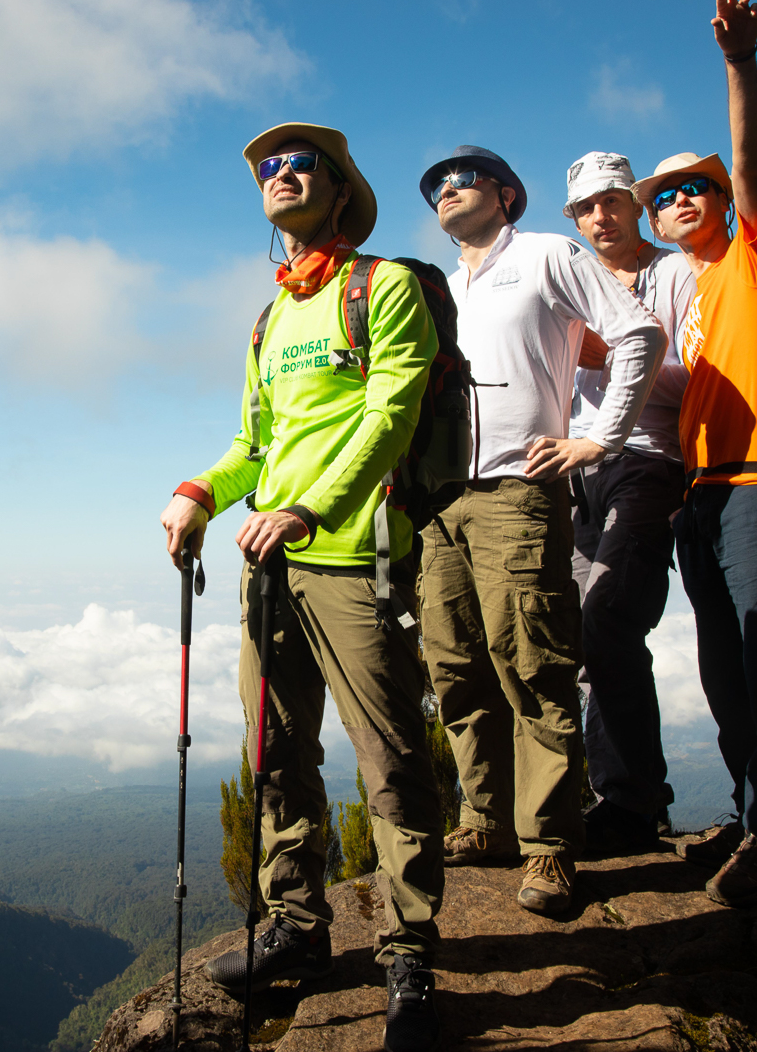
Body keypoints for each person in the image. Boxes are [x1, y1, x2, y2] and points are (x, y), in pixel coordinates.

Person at [159, 122, 445, 1052]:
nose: (279, 175)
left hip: (351, 557)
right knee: (276, 750)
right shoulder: (270, 317)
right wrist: (200, 492)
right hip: (268, 562)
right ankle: (298, 924)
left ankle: (408, 950)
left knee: (390, 752)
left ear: (339, 188)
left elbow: (393, 411)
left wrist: (311, 509)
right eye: (266, 169)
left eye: (299, 163)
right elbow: (254, 446)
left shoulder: (384, 286)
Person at [415, 143, 666, 914]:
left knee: (535, 664)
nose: (447, 191)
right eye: (435, 188)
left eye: (463, 179)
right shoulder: (445, 288)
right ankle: (485, 819)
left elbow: (640, 334)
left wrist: (602, 438)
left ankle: (551, 845)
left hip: (520, 492)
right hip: (442, 500)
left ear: (507, 194)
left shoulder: (550, 254)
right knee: (456, 667)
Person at [633, 0, 757, 906]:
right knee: (722, 668)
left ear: (719, 201)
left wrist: (740, 65)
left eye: (691, 188)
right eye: (663, 195)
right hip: (701, 496)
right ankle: (754, 817)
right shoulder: (683, 294)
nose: (676, 199)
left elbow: (751, 167)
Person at [562, 151, 698, 852]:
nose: (600, 217)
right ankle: (613, 795)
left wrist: (609, 355)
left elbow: (692, 377)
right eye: (586, 208)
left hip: (648, 461)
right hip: (575, 471)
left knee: (609, 613)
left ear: (635, 206)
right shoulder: (575, 278)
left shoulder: (672, 274)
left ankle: (633, 805)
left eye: (611, 201)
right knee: (581, 636)